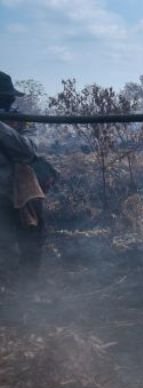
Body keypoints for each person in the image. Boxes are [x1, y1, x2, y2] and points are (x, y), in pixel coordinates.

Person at [0, 71, 48, 282]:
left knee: (32, 240)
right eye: (4, 96)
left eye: (9, 96)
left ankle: (27, 292)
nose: (10, 100)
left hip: (23, 191)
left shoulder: (22, 120)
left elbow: (28, 150)